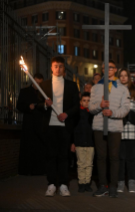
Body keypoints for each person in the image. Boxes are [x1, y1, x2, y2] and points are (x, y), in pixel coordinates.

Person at [38, 56, 80, 197]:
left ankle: (63, 184)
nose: (58, 69)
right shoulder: (43, 86)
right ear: (51, 68)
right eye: (55, 66)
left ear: (64, 68)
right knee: (50, 156)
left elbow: (76, 106)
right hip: (49, 126)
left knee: (63, 156)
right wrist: (45, 104)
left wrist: (66, 114)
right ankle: (51, 184)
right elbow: (37, 105)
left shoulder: (71, 85)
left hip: (64, 127)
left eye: (61, 66)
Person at [89, 60, 130, 198]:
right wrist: (100, 105)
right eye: (104, 68)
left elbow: (125, 109)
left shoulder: (123, 88)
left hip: (115, 127)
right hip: (99, 126)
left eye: (110, 68)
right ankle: (102, 185)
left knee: (114, 157)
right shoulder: (95, 87)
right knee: (100, 157)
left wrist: (113, 113)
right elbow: (90, 108)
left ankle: (113, 185)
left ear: (115, 69)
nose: (107, 70)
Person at [117, 68, 135, 193]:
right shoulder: (114, 93)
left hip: (132, 130)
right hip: (118, 130)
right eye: (121, 76)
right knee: (120, 158)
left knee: (131, 158)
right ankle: (120, 182)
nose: (123, 78)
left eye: (125, 76)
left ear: (129, 78)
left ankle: (131, 181)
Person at [17, 73, 46, 176]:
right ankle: (27, 170)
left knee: (39, 147)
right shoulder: (24, 91)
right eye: (36, 83)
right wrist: (28, 107)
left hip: (40, 123)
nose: (38, 85)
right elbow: (19, 105)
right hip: (29, 123)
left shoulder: (43, 93)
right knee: (28, 147)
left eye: (40, 83)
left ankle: (39, 170)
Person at [71, 92, 94, 193]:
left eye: (88, 101)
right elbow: (73, 128)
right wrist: (73, 142)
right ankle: (81, 183)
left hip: (90, 142)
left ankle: (87, 183)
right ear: (80, 102)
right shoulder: (77, 113)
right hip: (79, 142)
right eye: (84, 100)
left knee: (89, 164)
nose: (86, 103)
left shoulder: (92, 114)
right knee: (81, 164)